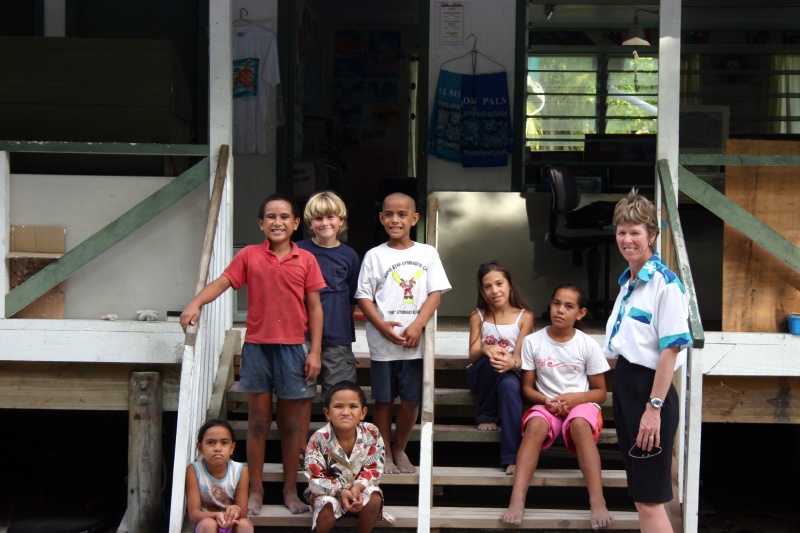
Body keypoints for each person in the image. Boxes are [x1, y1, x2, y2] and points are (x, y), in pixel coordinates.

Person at [180, 193, 325, 516]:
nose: (278, 222)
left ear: (296, 224)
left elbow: (315, 308)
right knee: (258, 423)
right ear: (261, 223)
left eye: (285, 217)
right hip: (258, 348)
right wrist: (195, 303)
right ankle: (256, 490)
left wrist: (314, 351)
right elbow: (222, 283)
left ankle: (290, 490)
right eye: (271, 217)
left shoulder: (306, 260)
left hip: (293, 350)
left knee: (289, 425)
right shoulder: (249, 256)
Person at [603, 189, 692, 532]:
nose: (627, 240)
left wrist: (653, 408)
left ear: (652, 235)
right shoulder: (628, 283)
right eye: (622, 232)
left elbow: (670, 350)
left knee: (650, 500)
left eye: (635, 232)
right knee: (642, 496)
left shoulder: (664, 285)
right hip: (627, 384)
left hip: (650, 390)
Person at [501, 284, 615, 529]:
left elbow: (600, 393)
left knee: (580, 425)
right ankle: (517, 500)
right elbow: (528, 388)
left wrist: (574, 399)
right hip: (547, 404)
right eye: (556, 303)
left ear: (581, 313)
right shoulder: (533, 342)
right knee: (534, 426)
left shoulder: (587, 344)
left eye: (568, 306)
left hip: (581, 405)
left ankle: (597, 501)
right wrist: (546, 401)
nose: (560, 310)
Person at [355, 192, 451, 474]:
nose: (395, 220)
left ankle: (400, 449)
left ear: (414, 218)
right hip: (383, 345)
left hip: (415, 344)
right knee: (383, 400)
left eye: (402, 214)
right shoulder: (375, 255)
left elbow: (435, 294)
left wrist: (419, 324)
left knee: (411, 400)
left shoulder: (427, 253)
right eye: (389, 214)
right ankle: (383, 453)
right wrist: (381, 326)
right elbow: (363, 297)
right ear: (381, 218)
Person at [467, 260, 535, 475]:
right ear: (482, 290)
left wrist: (510, 363)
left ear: (509, 285)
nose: (494, 291)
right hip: (480, 376)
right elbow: (472, 353)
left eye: (499, 284)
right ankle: (486, 414)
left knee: (507, 385)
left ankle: (512, 457)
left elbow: (519, 358)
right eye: (488, 286)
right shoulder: (477, 315)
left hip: (510, 373)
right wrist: (487, 348)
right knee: (491, 359)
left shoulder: (525, 316)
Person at [304, 380, 394, 532]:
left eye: (353, 406)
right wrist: (340, 491)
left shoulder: (371, 432)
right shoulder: (319, 439)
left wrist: (358, 487)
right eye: (338, 406)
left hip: (359, 490)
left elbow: (374, 467)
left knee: (374, 497)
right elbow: (315, 477)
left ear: (363, 412)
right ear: (327, 413)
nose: (345, 412)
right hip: (330, 493)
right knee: (326, 506)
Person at [297, 191, 361, 397]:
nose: (324, 223)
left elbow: (352, 298)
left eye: (330, 217)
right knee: (298, 397)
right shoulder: (298, 251)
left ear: (341, 222)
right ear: (309, 223)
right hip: (302, 338)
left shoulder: (349, 256)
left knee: (339, 398)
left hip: (338, 341)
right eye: (318, 218)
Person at [185, 419, 255, 533]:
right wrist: (217, 515)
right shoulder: (194, 470)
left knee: (245, 525)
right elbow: (194, 515)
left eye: (224, 443)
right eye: (211, 442)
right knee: (209, 524)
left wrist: (236, 509)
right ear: (200, 448)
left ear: (232, 448)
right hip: (206, 524)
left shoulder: (240, 470)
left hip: (231, 523)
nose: (217, 448)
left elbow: (242, 513)